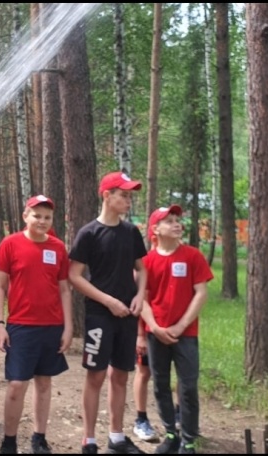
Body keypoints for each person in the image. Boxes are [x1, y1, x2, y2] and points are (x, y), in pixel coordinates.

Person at [68, 171, 148, 454]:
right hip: (99, 316)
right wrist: (108, 301)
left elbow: (142, 269)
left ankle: (116, 437)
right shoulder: (88, 233)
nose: (128, 200)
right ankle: (89, 440)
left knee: (122, 375)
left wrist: (139, 296)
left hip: (128, 315)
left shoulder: (131, 232)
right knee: (96, 375)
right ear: (107, 195)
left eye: (129, 195)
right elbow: (75, 276)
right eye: (123, 194)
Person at [0, 195, 72, 454]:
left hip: (51, 325)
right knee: (17, 385)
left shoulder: (58, 248)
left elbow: (65, 290)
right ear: (26, 216)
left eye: (47, 217)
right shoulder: (10, 244)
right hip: (21, 326)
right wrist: (0, 323)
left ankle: (39, 438)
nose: (42, 221)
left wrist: (68, 327)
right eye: (37, 215)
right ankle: (9, 441)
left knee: (44, 382)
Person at [140, 205, 213, 455]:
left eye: (177, 220)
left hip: (186, 335)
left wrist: (181, 325)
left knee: (188, 386)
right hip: (156, 333)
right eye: (169, 221)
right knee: (160, 384)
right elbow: (144, 299)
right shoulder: (147, 262)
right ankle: (171, 434)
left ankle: (189, 440)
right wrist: (156, 328)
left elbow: (201, 293)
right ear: (155, 229)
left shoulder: (193, 256)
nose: (176, 224)